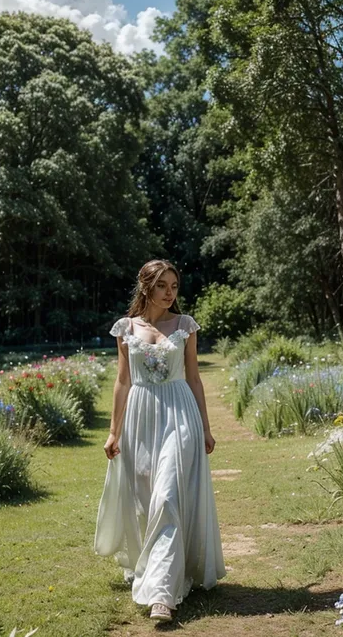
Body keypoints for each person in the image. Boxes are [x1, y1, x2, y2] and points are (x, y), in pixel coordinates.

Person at [94, 259, 226, 623]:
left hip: (179, 413)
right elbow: (122, 382)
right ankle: (155, 568)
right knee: (144, 501)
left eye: (175, 286)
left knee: (168, 496)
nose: (170, 293)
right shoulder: (126, 328)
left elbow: (195, 379)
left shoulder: (185, 325)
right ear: (146, 287)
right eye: (163, 285)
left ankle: (162, 597)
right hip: (140, 417)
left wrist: (205, 427)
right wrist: (113, 431)